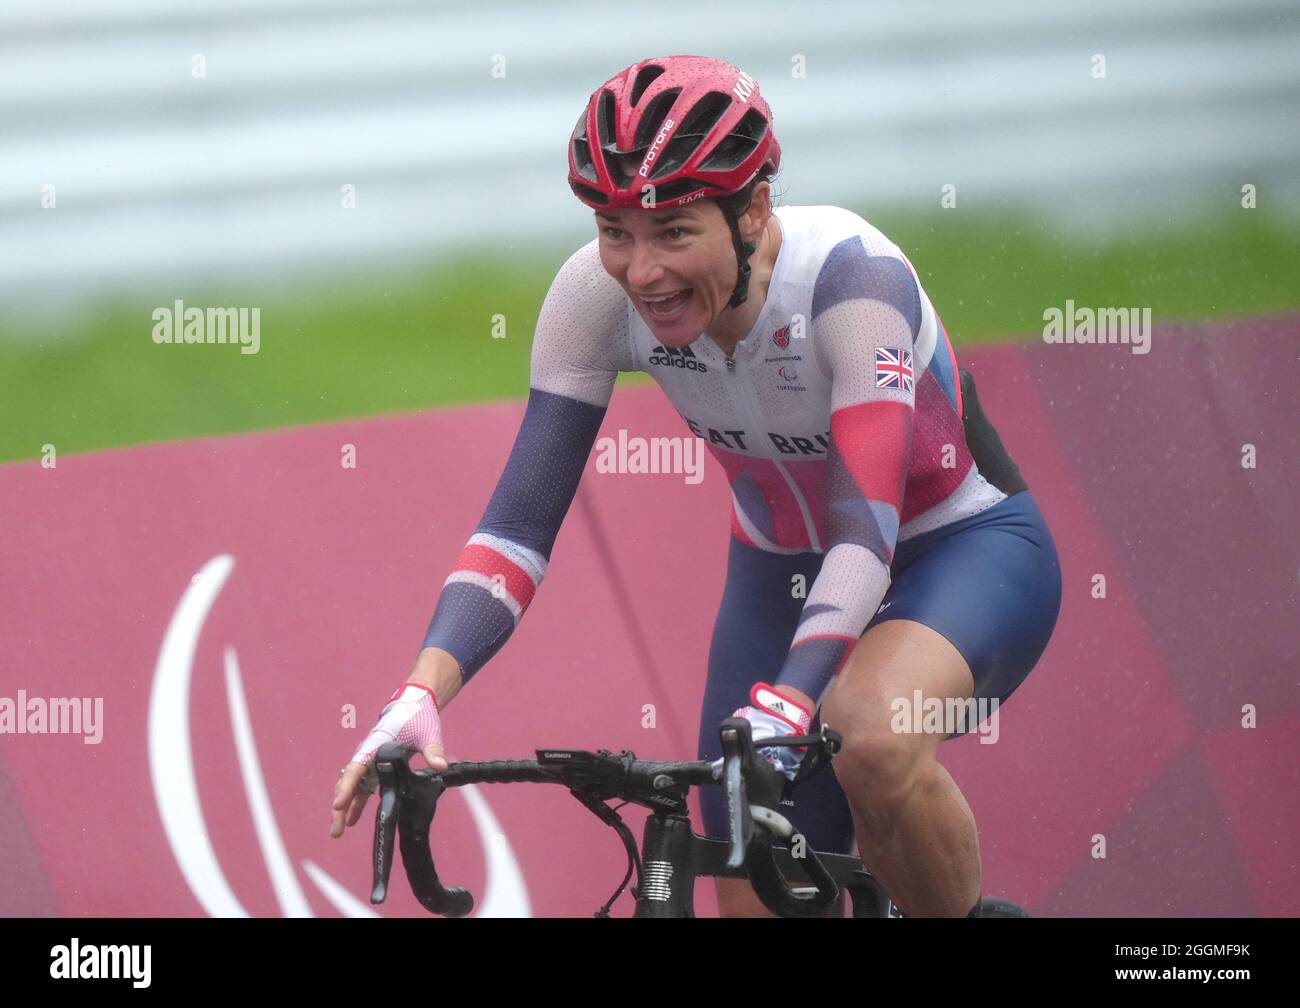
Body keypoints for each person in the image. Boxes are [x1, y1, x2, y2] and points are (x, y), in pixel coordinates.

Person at [330, 54, 1062, 918]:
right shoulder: (588, 299)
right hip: (777, 575)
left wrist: (795, 702)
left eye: (674, 232)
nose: (641, 272)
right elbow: (518, 527)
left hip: (956, 550)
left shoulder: (855, 283)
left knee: (867, 734)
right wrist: (420, 693)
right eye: (615, 231)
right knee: (747, 890)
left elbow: (866, 533)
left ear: (752, 209)